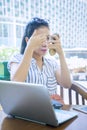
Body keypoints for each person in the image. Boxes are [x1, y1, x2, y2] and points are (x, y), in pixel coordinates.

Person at [8, 17, 71, 104]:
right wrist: (29, 47)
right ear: (27, 40)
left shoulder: (51, 63)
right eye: (40, 39)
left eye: (47, 38)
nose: (45, 43)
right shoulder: (17, 59)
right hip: (27, 111)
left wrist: (61, 54)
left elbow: (67, 84)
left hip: (52, 111)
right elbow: (16, 83)